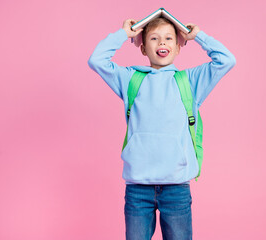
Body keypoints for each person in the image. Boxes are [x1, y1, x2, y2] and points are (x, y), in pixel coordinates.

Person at [88, 16, 236, 240]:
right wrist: (123, 34)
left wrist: (198, 37)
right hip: (138, 189)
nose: (162, 43)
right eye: (154, 39)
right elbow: (97, 60)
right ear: (143, 49)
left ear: (178, 46)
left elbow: (226, 60)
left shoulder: (190, 81)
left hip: (176, 188)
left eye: (168, 38)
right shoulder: (130, 79)